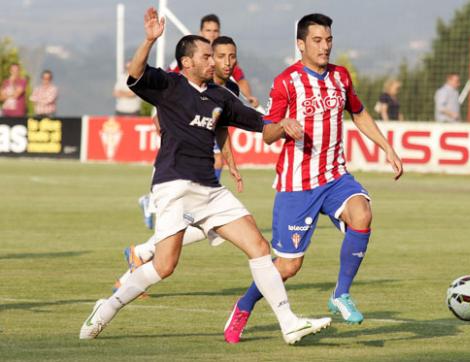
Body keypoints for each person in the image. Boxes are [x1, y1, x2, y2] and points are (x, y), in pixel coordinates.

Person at [80, 8, 331, 344]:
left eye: (215, 56)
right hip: (175, 185)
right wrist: (150, 40)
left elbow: (259, 123)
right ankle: (107, 307)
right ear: (187, 62)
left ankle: (289, 324)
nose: (213, 61)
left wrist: (281, 125)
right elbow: (134, 74)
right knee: (165, 266)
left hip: (211, 189)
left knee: (259, 246)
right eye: (206, 56)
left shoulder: (220, 96)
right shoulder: (168, 85)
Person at [223, 13, 404, 344]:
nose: (325, 47)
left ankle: (340, 294)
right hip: (297, 185)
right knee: (288, 267)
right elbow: (267, 134)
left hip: (336, 176)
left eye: (329, 40)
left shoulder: (341, 77)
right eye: (317, 41)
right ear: (301, 44)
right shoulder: (286, 82)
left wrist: (386, 147)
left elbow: (359, 112)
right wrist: (283, 126)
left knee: (362, 213)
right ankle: (244, 306)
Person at [112, 36, 248, 297]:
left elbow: (222, 128)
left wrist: (230, 160)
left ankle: (138, 257)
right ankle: (138, 260)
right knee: (204, 229)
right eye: (218, 56)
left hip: (203, 175)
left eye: (231, 56)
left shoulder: (229, 90)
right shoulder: (181, 83)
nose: (225, 62)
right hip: (176, 170)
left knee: (205, 228)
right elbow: (158, 116)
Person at [168, 14, 259, 108]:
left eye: (215, 31)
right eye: (208, 30)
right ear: (201, 32)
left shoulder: (226, 61)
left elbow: (240, 80)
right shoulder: (188, 56)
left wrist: (248, 97)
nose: (212, 34)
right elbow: (168, 81)